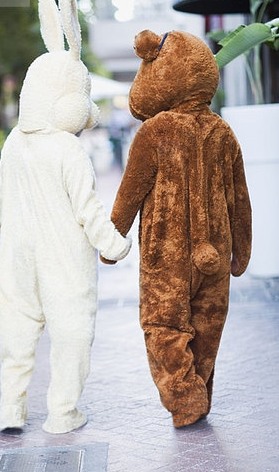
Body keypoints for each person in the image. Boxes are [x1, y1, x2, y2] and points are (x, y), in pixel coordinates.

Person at [0, 0, 131, 435]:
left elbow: (0, 198)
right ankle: (62, 413)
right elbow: (88, 211)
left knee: (16, 331)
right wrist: (116, 244)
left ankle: (11, 409)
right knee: (72, 331)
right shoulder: (69, 151)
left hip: (15, 254)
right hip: (62, 259)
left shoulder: (15, 142)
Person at [101, 29, 252, 427]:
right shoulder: (223, 132)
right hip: (215, 254)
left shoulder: (154, 131)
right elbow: (239, 198)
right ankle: (198, 393)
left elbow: (130, 194)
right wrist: (242, 250)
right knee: (207, 326)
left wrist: (111, 238)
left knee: (162, 326)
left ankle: (186, 399)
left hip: (165, 256)